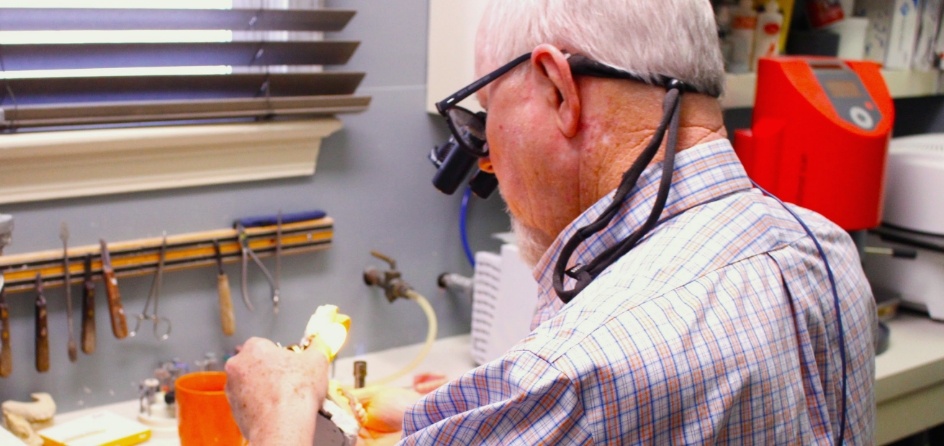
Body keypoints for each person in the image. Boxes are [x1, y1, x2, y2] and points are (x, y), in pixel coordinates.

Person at [226, 0, 877, 444]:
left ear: (558, 89)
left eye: (486, 115)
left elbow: (593, 379)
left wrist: (278, 412)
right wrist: (493, 405)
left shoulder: (584, 372)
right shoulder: (823, 250)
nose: (487, 159)